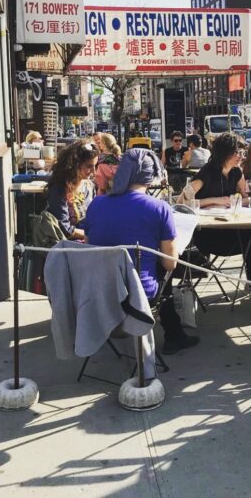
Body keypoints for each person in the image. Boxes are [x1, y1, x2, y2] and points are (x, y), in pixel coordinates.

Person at [84, 149, 198, 355]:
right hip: (138, 295)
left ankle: (173, 332)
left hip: (99, 291)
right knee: (164, 268)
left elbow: (88, 246)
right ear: (151, 175)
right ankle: (174, 334)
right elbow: (170, 264)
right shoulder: (159, 208)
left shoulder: (96, 204)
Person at [184, 132, 251, 287]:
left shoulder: (236, 173)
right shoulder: (207, 173)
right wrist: (215, 201)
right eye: (238, 153)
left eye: (243, 153)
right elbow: (184, 202)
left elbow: (247, 198)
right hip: (209, 236)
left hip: (232, 230)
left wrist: (236, 201)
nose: (242, 156)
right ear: (226, 153)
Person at [47, 140, 98, 240]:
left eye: (95, 166)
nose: (94, 171)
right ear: (75, 164)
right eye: (89, 166)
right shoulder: (59, 188)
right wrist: (90, 235)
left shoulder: (89, 185)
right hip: (69, 246)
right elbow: (64, 228)